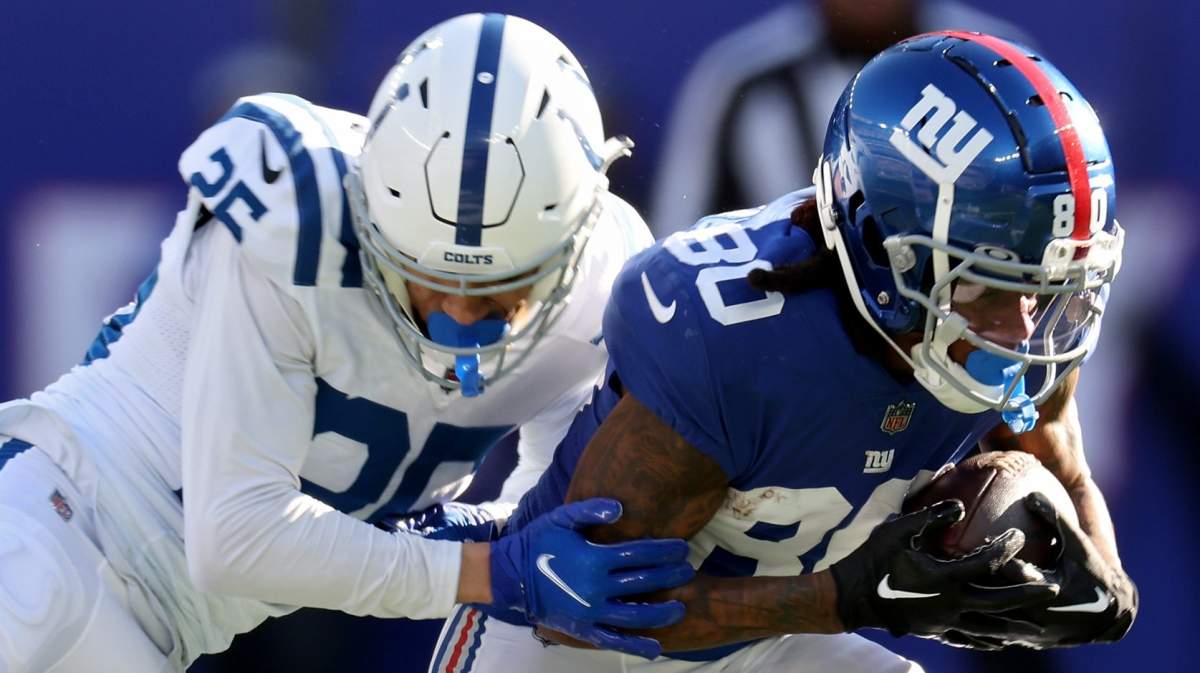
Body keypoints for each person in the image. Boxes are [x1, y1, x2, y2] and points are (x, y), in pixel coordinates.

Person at [0, 13, 695, 673]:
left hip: (148, 616)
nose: (459, 312)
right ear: (373, 209)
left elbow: (547, 523)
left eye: (500, 287)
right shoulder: (296, 220)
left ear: (570, 244)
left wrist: (490, 544)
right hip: (53, 544)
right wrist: (487, 565)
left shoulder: (605, 280)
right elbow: (236, 536)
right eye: (426, 275)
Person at [428, 31, 1137, 673]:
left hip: (762, 642)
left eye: (1048, 288)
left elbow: (1065, 470)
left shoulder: (1026, 330)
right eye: (988, 285)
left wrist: (1105, 584)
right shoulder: (739, 344)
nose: (1024, 328)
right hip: (565, 649)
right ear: (883, 248)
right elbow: (582, 605)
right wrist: (849, 596)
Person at [649, 0, 1030, 239]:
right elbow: (678, 241)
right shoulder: (742, 79)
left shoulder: (997, 68)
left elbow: (1050, 233)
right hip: (785, 332)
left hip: (966, 331)